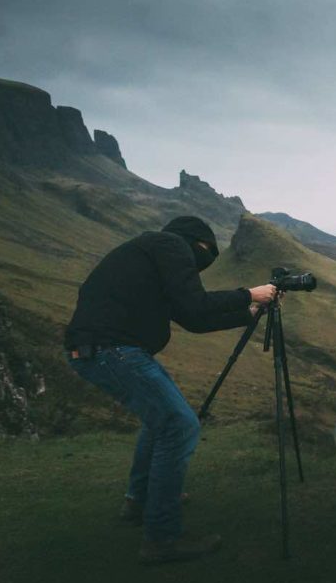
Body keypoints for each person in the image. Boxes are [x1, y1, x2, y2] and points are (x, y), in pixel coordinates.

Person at [64, 216, 277, 565]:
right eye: (206, 253)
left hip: (102, 350)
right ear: (197, 242)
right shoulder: (171, 245)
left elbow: (193, 320)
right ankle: (162, 538)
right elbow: (196, 305)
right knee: (179, 425)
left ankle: (139, 502)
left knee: (160, 423)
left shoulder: (152, 259)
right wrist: (249, 294)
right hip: (113, 349)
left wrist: (248, 313)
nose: (203, 263)